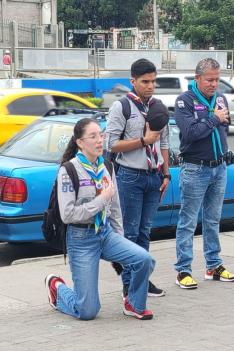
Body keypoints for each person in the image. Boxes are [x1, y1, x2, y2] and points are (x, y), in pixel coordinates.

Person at [44, 117, 156, 320]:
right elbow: (68, 215)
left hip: (106, 233)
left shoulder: (107, 167)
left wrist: (119, 238)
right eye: (93, 136)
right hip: (81, 239)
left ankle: (134, 304)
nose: (99, 141)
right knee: (87, 311)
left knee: (144, 260)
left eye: (101, 135)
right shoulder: (68, 170)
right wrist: (101, 199)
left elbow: (115, 208)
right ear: (80, 142)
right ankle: (57, 288)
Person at [105, 58, 170, 299]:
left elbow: (165, 143)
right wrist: (143, 141)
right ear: (133, 81)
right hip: (130, 176)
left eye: (153, 81)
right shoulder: (122, 107)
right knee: (129, 233)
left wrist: (166, 174)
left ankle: (141, 279)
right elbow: (111, 144)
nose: (150, 86)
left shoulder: (158, 107)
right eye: (145, 82)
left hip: (154, 177)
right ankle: (129, 284)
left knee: (145, 231)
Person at [173, 58, 234, 289]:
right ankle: (183, 270)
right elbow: (190, 133)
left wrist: (219, 121)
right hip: (195, 168)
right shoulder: (184, 101)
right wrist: (214, 118)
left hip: (219, 167)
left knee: (213, 219)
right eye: (209, 80)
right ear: (197, 78)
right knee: (188, 221)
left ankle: (214, 265)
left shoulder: (220, 99)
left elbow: (223, 128)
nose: (214, 84)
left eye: (217, 79)